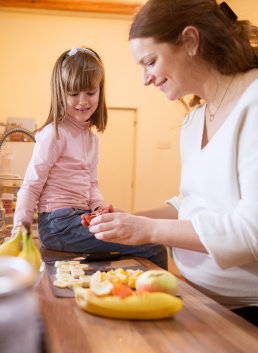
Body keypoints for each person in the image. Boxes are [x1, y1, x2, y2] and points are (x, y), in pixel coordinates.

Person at [88, 0, 258, 353]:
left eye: (150, 62)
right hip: (215, 307)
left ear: (190, 41)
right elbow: (192, 203)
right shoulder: (194, 119)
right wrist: (129, 220)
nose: (145, 79)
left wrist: (148, 230)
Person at [12, 46, 168, 269]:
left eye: (90, 93)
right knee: (152, 247)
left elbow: (91, 183)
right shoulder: (53, 134)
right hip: (58, 226)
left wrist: (98, 208)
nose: (82, 101)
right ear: (60, 93)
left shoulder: (91, 139)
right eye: (74, 94)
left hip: (79, 218)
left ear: (100, 91)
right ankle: (155, 299)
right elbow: (31, 186)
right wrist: (21, 230)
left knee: (143, 238)